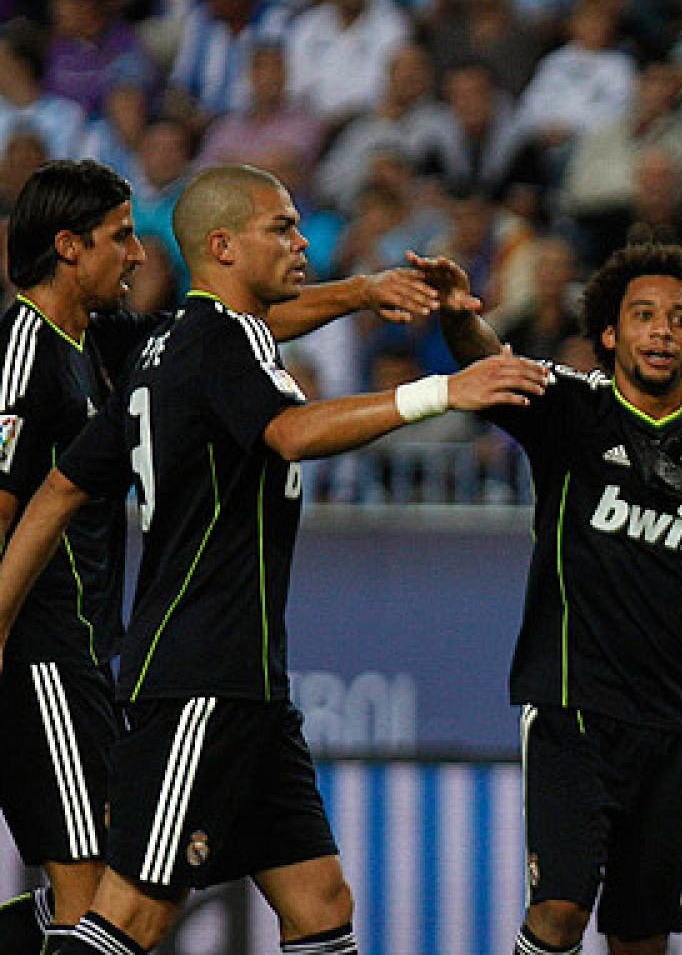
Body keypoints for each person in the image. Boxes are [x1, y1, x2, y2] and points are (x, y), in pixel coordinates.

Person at [0, 164, 547, 955]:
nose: (300, 243)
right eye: (282, 229)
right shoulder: (204, 342)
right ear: (222, 246)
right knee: (123, 915)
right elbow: (289, 433)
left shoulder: (158, 348)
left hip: (246, 682)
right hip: (188, 677)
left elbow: (60, 487)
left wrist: (363, 291)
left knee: (319, 900)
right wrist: (443, 392)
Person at [427, 241, 682, 955]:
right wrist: (458, 316)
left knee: (642, 939)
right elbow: (491, 365)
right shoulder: (571, 412)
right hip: (574, 710)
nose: (661, 331)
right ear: (609, 332)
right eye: (643, 316)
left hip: (681, 729)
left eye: (679, 319)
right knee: (560, 911)